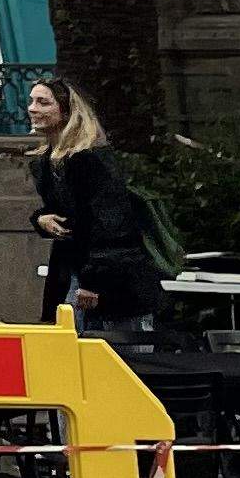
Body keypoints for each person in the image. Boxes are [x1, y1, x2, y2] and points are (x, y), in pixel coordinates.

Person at [29, 75, 161, 341]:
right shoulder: (47, 161)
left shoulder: (90, 160)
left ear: (65, 111)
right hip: (73, 272)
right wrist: (40, 219)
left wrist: (94, 281)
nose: (32, 108)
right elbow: (62, 212)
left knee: (121, 356)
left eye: (43, 102)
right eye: (31, 101)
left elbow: (112, 224)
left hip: (109, 278)